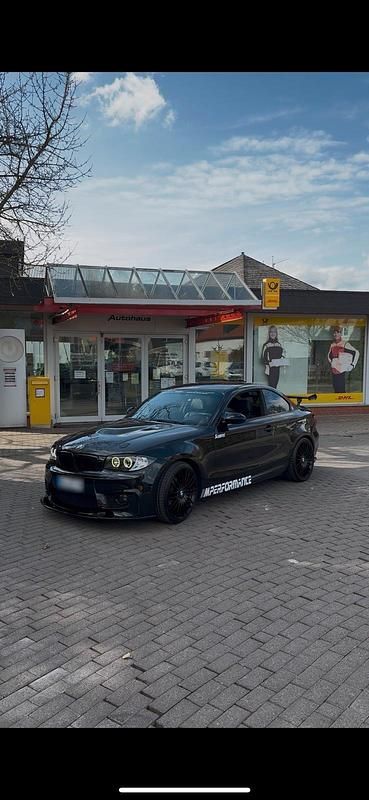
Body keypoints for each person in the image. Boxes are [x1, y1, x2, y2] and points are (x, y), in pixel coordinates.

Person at [328, 326, 359, 392]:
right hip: (334, 369)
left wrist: (352, 365)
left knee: (341, 388)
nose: (336, 334)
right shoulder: (332, 345)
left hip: (342, 370)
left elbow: (356, 352)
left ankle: (342, 400)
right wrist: (332, 362)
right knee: (335, 387)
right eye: (334, 333)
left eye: (338, 332)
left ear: (340, 334)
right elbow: (329, 356)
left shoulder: (345, 344)